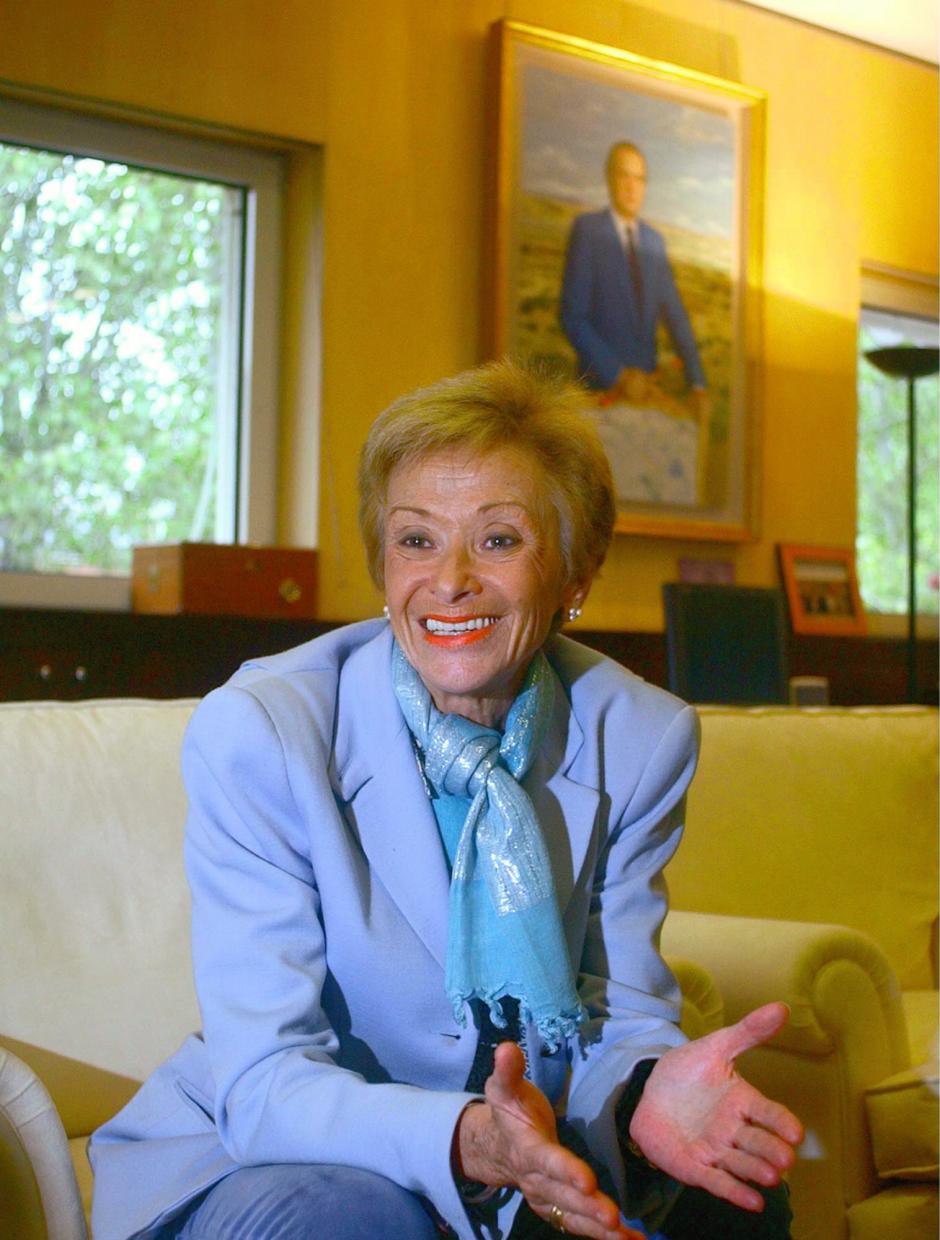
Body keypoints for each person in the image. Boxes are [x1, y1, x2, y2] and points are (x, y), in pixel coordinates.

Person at [90, 360, 801, 1240]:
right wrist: (470, 1140)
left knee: (732, 1192)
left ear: (575, 575)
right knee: (358, 1219)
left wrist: (645, 1102)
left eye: (499, 540)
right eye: (417, 540)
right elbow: (266, 1077)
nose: (451, 580)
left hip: (523, 1150)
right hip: (277, 1156)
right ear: (383, 566)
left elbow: (616, 1013)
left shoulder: (642, 737)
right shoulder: (264, 732)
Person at [560, 142, 709, 418]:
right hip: (599, 394)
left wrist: (697, 383)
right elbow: (573, 317)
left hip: (646, 397)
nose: (631, 187)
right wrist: (618, 375)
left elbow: (675, 316)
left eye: (639, 178)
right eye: (623, 176)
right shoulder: (588, 231)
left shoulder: (654, 242)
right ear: (609, 178)